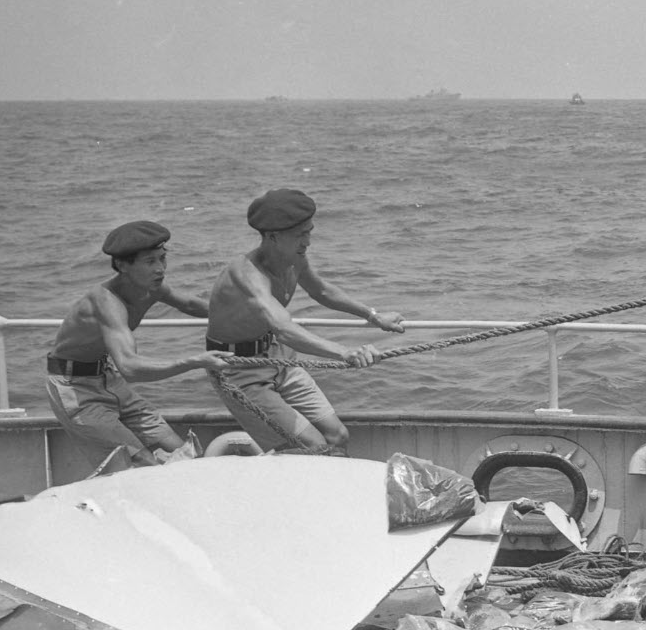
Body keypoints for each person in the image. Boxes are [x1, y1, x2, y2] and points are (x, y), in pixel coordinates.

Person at [205, 188, 405, 453]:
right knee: (314, 446)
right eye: (300, 235)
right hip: (240, 370)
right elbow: (284, 329)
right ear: (273, 237)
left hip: (278, 357)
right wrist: (344, 352)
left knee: (338, 436)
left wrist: (374, 316)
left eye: (309, 232)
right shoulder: (247, 275)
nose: (308, 241)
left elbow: (321, 290)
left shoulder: (293, 258)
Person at [46, 220, 234, 469]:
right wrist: (195, 361)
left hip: (108, 378)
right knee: (142, 464)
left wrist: (243, 315)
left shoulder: (151, 288)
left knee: (183, 453)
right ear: (122, 265)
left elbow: (190, 304)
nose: (160, 269)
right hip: (75, 389)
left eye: (162, 258)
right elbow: (130, 368)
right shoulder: (106, 303)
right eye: (150, 261)